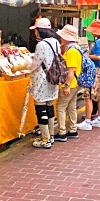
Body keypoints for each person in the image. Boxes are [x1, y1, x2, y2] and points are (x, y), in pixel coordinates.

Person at [28, 18, 62, 149]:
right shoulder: (56, 42)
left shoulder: (41, 45)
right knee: (49, 106)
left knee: (40, 108)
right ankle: (51, 135)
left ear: (39, 31)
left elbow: (36, 63)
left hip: (42, 79)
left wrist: (27, 68)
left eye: (35, 30)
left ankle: (45, 139)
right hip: (53, 78)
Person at [56, 25, 83, 140]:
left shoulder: (71, 51)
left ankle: (62, 132)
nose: (61, 39)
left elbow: (71, 70)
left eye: (62, 36)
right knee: (71, 106)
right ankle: (73, 130)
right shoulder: (77, 48)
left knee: (61, 107)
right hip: (76, 84)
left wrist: (66, 86)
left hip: (70, 84)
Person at [84, 19, 100, 127]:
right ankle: (99, 118)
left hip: (96, 70)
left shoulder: (99, 42)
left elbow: (98, 56)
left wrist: (87, 56)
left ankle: (87, 121)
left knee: (89, 95)